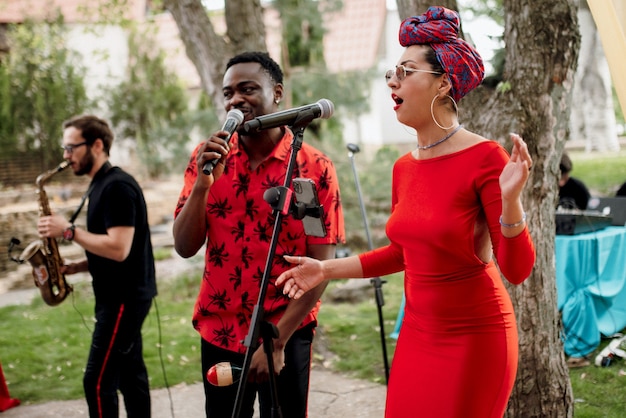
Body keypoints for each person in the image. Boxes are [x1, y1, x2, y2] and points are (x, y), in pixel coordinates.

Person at [276, 7, 536, 418]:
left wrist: (511, 202)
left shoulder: (487, 158)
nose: (392, 81)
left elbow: (517, 269)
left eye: (406, 71)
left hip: (476, 338)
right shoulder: (404, 167)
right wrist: (325, 270)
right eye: (391, 73)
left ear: (443, 84)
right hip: (417, 335)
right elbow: (402, 254)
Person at [172, 51, 345, 418]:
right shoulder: (207, 158)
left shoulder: (313, 168)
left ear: (277, 93)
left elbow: (321, 265)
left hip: (285, 328)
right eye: (228, 93)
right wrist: (203, 186)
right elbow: (184, 246)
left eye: (247, 88)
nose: (236, 99)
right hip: (220, 327)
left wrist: (278, 341)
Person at [37, 115, 157, 418]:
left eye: (70, 148)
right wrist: (77, 266)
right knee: (131, 378)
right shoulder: (102, 184)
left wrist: (67, 231)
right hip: (120, 295)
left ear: (97, 145)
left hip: (122, 300)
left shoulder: (116, 186)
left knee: (97, 381)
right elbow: (114, 248)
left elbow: (118, 249)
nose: (65, 156)